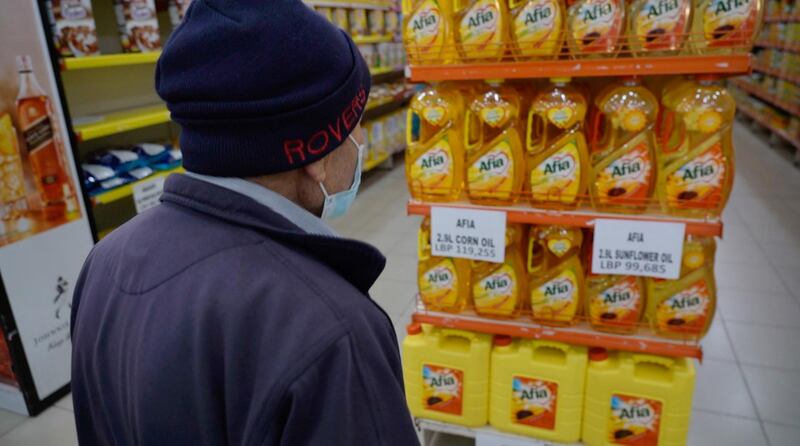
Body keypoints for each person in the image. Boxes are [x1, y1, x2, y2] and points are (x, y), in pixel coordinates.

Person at [70, 1, 419, 444]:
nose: (364, 139)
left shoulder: (104, 261)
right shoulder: (333, 332)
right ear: (317, 153)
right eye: (357, 124)